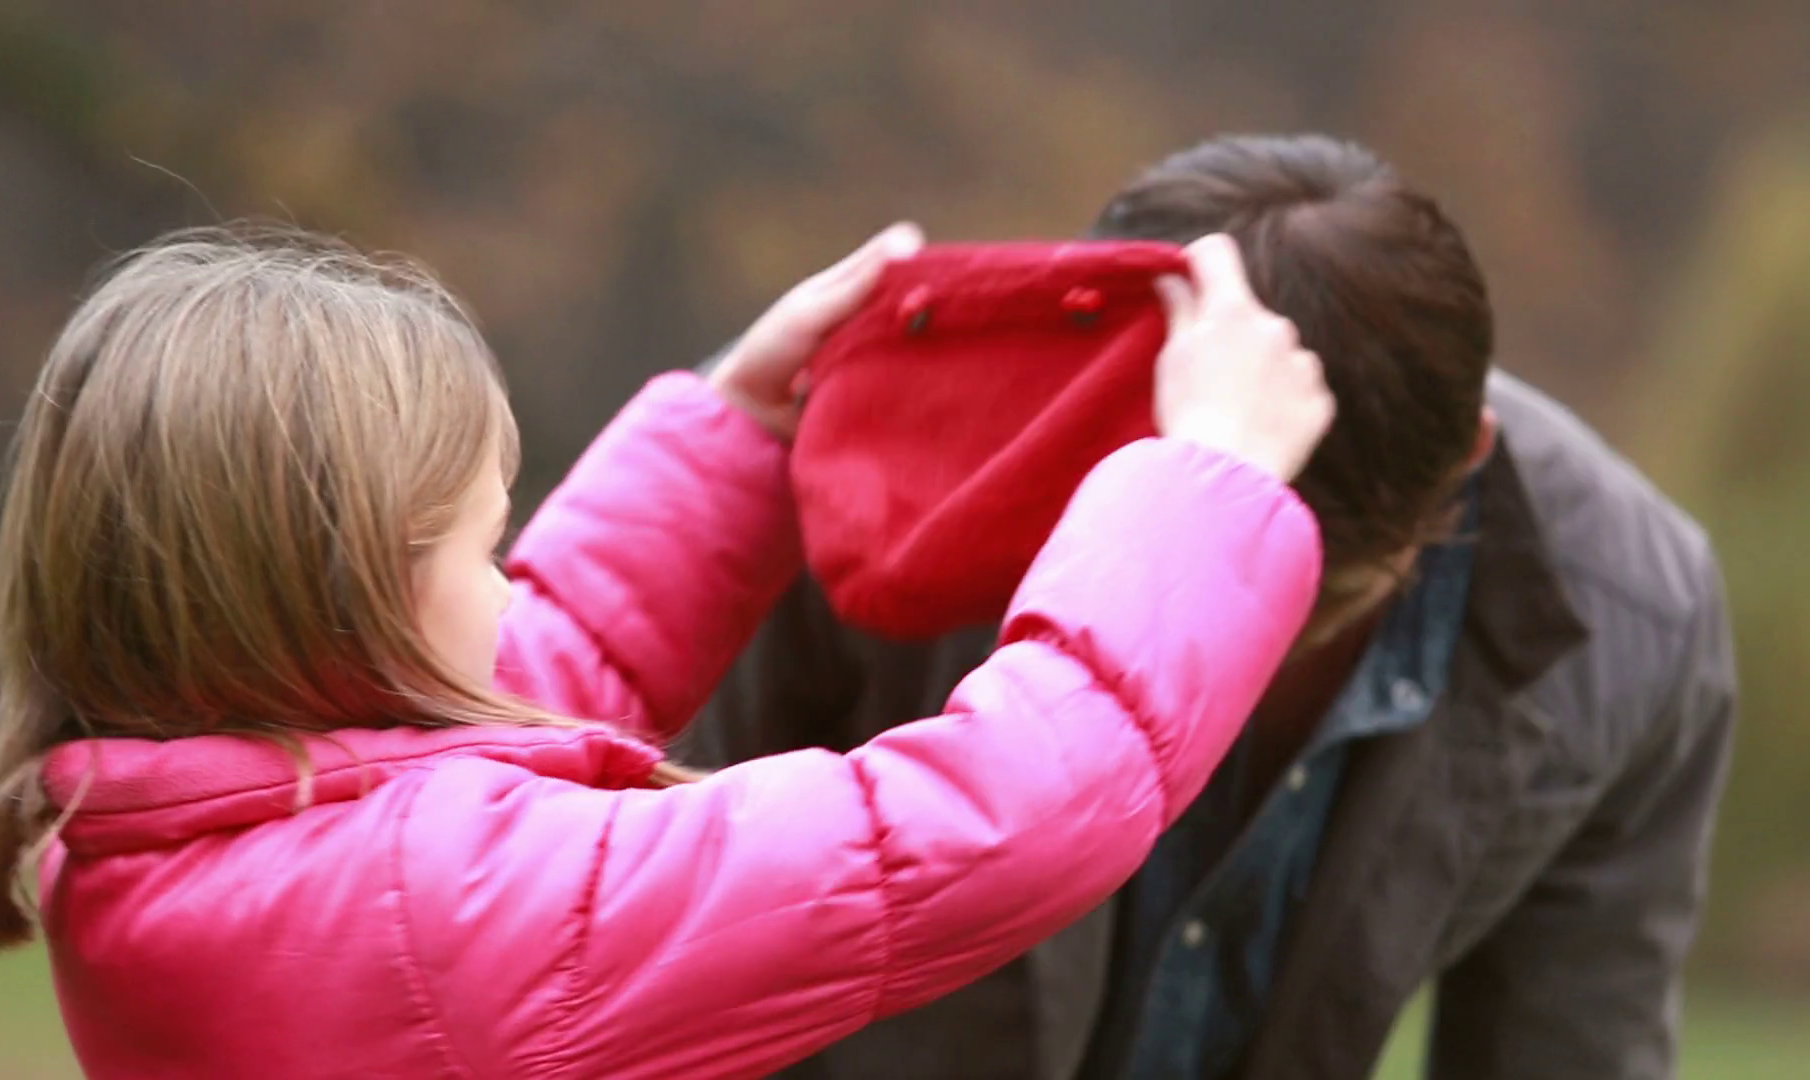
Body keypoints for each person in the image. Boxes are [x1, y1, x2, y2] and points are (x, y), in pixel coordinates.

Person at [0, 221, 1334, 1079]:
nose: (505, 586)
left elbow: (483, 723)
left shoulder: (159, 840)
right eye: (484, 544)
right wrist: (1201, 483)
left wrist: (737, 427)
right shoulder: (449, 922)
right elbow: (975, 825)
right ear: (351, 601)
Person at [686, 134, 1739, 1080]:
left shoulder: (1639, 617)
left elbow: (1570, 1047)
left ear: (1467, 459)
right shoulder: (826, 470)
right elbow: (651, 942)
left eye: (1297, 605)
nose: (1225, 662)